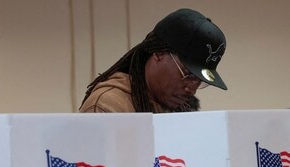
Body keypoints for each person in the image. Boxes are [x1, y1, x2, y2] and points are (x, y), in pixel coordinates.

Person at [78, 8, 228, 113]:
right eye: (188, 74)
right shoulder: (107, 107)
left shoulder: (177, 110)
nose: (192, 89)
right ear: (159, 53)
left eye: (199, 81)